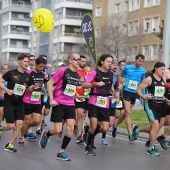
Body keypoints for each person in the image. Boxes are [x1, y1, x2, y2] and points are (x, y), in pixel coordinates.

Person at [39, 52, 80, 161]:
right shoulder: (63, 71)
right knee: (57, 130)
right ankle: (46, 135)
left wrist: (77, 95)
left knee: (70, 128)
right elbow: (49, 83)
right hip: (59, 103)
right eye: (76, 59)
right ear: (70, 60)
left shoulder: (77, 74)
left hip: (71, 104)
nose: (78, 61)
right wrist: (52, 99)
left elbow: (71, 88)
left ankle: (61, 152)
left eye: (79, 59)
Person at [130, 62, 166, 156]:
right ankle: (151, 148)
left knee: (156, 126)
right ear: (156, 68)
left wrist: (166, 100)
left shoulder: (163, 80)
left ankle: (137, 130)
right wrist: (144, 96)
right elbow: (138, 90)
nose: (163, 71)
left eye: (164, 69)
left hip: (159, 105)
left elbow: (160, 95)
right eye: (162, 69)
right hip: (150, 105)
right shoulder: (149, 79)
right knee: (155, 126)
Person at [82, 54, 114, 156]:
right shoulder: (94, 73)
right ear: (102, 62)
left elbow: (111, 86)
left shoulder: (111, 74)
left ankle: (89, 133)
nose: (110, 64)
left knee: (105, 128)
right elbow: (84, 84)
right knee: (94, 124)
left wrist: (115, 92)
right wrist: (95, 84)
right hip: (94, 101)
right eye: (108, 62)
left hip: (105, 102)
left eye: (111, 62)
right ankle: (88, 147)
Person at [0, 54, 32, 152]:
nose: (27, 63)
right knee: (10, 125)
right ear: (19, 61)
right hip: (9, 102)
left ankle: (9, 144)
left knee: (19, 124)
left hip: (19, 103)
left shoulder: (27, 76)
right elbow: (0, 82)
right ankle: (1, 128)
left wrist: (33, 88)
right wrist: (7, 90)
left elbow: (29, 89)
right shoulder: (11, 73)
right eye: (25, 61)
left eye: (28, 62)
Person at [19, 57, 46, 146]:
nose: (42, 68)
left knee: (37, 121)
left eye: (43, 67)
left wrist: (42, 89)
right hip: (27, 99)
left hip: (37, 100)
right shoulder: (29, 73)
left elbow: (41, 85)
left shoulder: (43, 74)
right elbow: (25, 86)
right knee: (27, 120)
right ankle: (22, 137)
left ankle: (23, 127)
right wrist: (32, 87)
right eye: (40, 66)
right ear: (36, 64)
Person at [121, 54, 146, 140]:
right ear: (135, 59)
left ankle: (115, 126)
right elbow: (120, 75)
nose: (140, 63)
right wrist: (123, 82)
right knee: (128, 113)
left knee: (126, 113)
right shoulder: (127, 68)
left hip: (135, 92)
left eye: (142, 61)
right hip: (126, 91)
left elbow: (143, 81)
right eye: (139, 61)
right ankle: (130, 133)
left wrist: (141, 91)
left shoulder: (143, 71)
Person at [100, 59, 119, 145]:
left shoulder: (116, 76)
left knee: (110, 123)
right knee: (103, 122)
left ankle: (89, 130)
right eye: (113, 65)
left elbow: (116, 88)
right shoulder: (105, 74)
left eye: (116, 65)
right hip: (104, 99)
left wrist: (117, 96)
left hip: (112, 100)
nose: (115, 66)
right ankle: (103, 138)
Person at [111, 60, 126, 138]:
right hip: (114, 95)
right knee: (115, 114)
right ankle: (112, 124)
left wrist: (123, 85)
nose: (124, 67)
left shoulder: (125, 75)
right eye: (122, 65)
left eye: (125, 65)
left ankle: (114, 126)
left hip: (121, 96)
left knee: (123, 113)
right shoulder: (115, 74)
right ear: (119, 66)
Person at [75, 55, 87, 144]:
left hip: (81, 97)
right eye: (82, 61)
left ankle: (79, 135)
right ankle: (60, 128)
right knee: (68, 115)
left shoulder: (86, 73)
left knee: (80, 115)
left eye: (85, 62)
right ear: (78, 61)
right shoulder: (74, 71)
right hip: (72, 96)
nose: (84, 63)